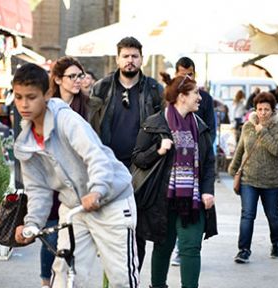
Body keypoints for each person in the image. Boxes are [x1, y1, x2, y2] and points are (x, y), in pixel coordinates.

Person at [12, 63, 139, 288]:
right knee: (65, 276)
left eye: (31, 97)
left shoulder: (67, 120)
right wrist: (31, 223)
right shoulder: (26, 142)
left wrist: (97, 190)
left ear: (47, 94)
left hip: (112, 202)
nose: (24, 104)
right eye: (18, 97)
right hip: (74, 209)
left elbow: (95, 156)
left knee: (121, 278)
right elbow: (37, 189)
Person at [131, 75, 217, 288]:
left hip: (193, 198)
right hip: (163, 198)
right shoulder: (155, 123)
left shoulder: (200, 126)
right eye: (195, 93)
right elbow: (138, 158)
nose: (200, 97)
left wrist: (207, 191)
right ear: (181, 96)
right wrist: (158, 150)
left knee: (191, 248)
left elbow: (208, 162)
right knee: (163, 246)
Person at [31, 56, 89, 288]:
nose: (77, 81)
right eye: (72, 76)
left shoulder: (88, 106)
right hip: (50, 177)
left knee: (73, 232)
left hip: (77, 181)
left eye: (80, 76)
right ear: (57, 79)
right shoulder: (46, 106)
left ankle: (67, 281)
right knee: (51, 232)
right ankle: (47, 281)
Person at [88, 36, 164, 168]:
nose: (130, 60)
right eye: (125, 56)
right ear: (117, 59)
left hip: (143, 165)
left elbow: (162, 126)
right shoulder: (102, 88)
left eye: (134, 56)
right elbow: (91, 123)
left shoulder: (154, 89)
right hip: (108, 163)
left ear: (141, 59)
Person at [228, 92, 278, 263]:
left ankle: (276, 242)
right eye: (260, 109)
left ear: (272, 110)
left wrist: (263, 131)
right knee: (247, 214)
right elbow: (241, 149)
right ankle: (243, 250)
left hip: (272, 182)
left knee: (272, 215)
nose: (263, 113)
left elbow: (275, 149)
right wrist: (234, 169)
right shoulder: (247, 126)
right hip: (249, 180)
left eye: (266, 109)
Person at [174, 57, 216, 143]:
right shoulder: (169, 97)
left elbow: (211, 129)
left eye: (190, 74)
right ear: (176, 75)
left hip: (199, 148)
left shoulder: (205, 98)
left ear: (194, 74)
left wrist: (205, 150)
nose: (186, 78)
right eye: (182, 75)